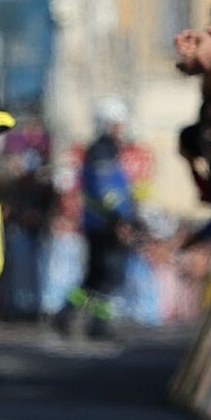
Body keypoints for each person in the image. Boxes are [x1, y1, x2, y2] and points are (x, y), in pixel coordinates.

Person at [55, 96, 138, 339]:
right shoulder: (103, 151)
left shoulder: (106, 150)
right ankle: (97, 324)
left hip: (101, 223)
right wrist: (120, 219)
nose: (121, 129)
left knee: (96, 276)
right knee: (109, 275)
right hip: (105, 225)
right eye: (118, 124)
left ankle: (70, 313)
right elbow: (105, 190)